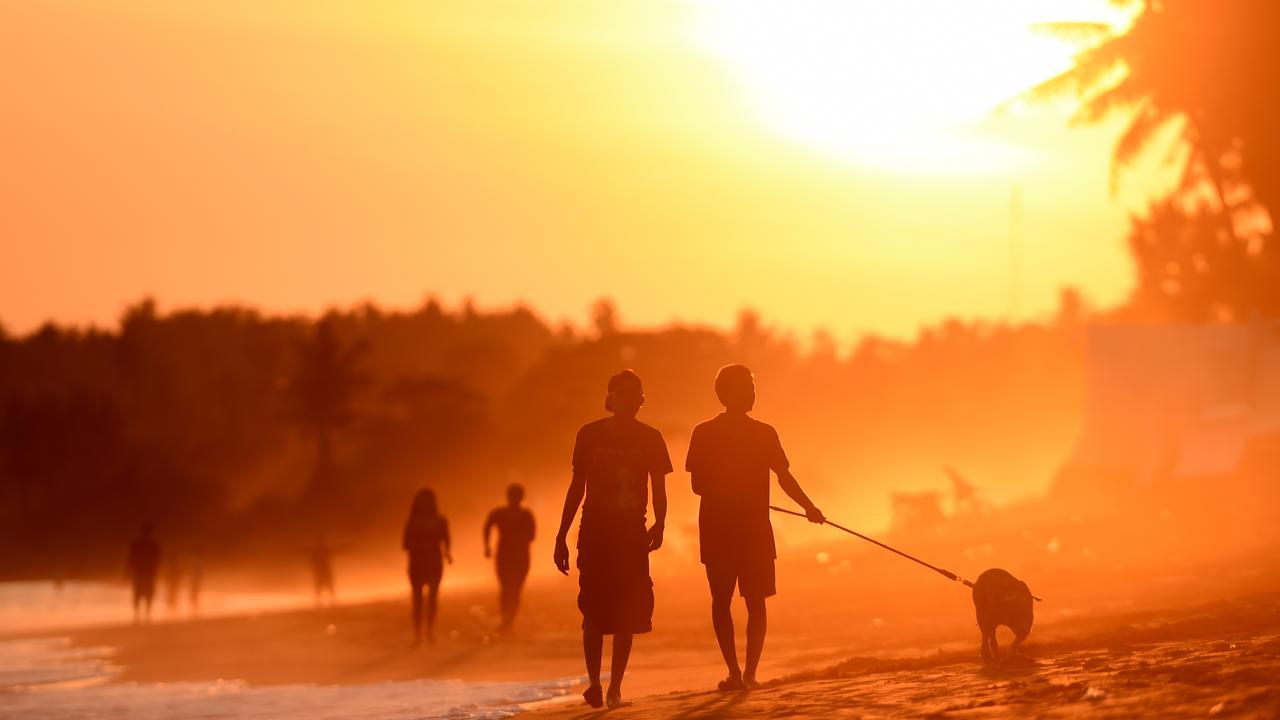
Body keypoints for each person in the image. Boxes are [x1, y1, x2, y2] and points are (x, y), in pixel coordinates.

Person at [685, 364, 824, 691]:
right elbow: (697, 484)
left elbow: (784, 477)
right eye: (745, 386)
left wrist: (809, 507)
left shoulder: (765, 433)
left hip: (755, 530)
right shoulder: (704, 432)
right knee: (721, 599)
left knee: (756, 601)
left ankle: (750, 673)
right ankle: (733, 672)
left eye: (752, 386)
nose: (751, 392)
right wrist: (732, 496)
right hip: (718, 529)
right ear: (726, 393)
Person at [554, 370, 670, 709]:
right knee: (592, 608)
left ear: (642, 400)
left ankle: (615, 689)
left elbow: (660, 489)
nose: (630, 400)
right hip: (594, 533)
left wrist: (661, 525)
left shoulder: (651, 437)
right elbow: (577, 487)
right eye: (623, 393)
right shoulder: (589, 434)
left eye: (636, 394)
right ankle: (593, 682)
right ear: (611, 398)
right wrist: (561, 536)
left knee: (628, 613)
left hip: (633, 534)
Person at [484, 483, 536, 632]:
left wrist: (489, 545)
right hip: (506, 556)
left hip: (519, 556)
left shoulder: (525, 515)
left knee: (515, 589)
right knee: (507, 588)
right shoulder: (500, 513)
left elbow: (531, 535)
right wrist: (486, 546)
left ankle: (509, 620)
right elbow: (487, 526)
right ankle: (506, 619)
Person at [404, 488, 452, 646]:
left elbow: (446, 540)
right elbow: (405, 543)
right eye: (422, 500)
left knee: (433, 598)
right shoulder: (412, 522)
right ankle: (417, 634)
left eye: (428, 500)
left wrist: (448, 554)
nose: (425, 503)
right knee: (417, 599)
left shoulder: (440, 521)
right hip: (417, 564)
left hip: (434, 562)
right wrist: (420, 546)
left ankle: (430, 631)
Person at [126, 523, 162, 624]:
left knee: (138, 593)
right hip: (148, 572)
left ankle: (138, 614)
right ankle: (145, 614)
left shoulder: (137, 543)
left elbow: (130, 558)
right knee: (147, 593)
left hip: (140, 572)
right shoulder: (154, 544)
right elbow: (158, 560)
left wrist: (127, 571)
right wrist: (156, 571)